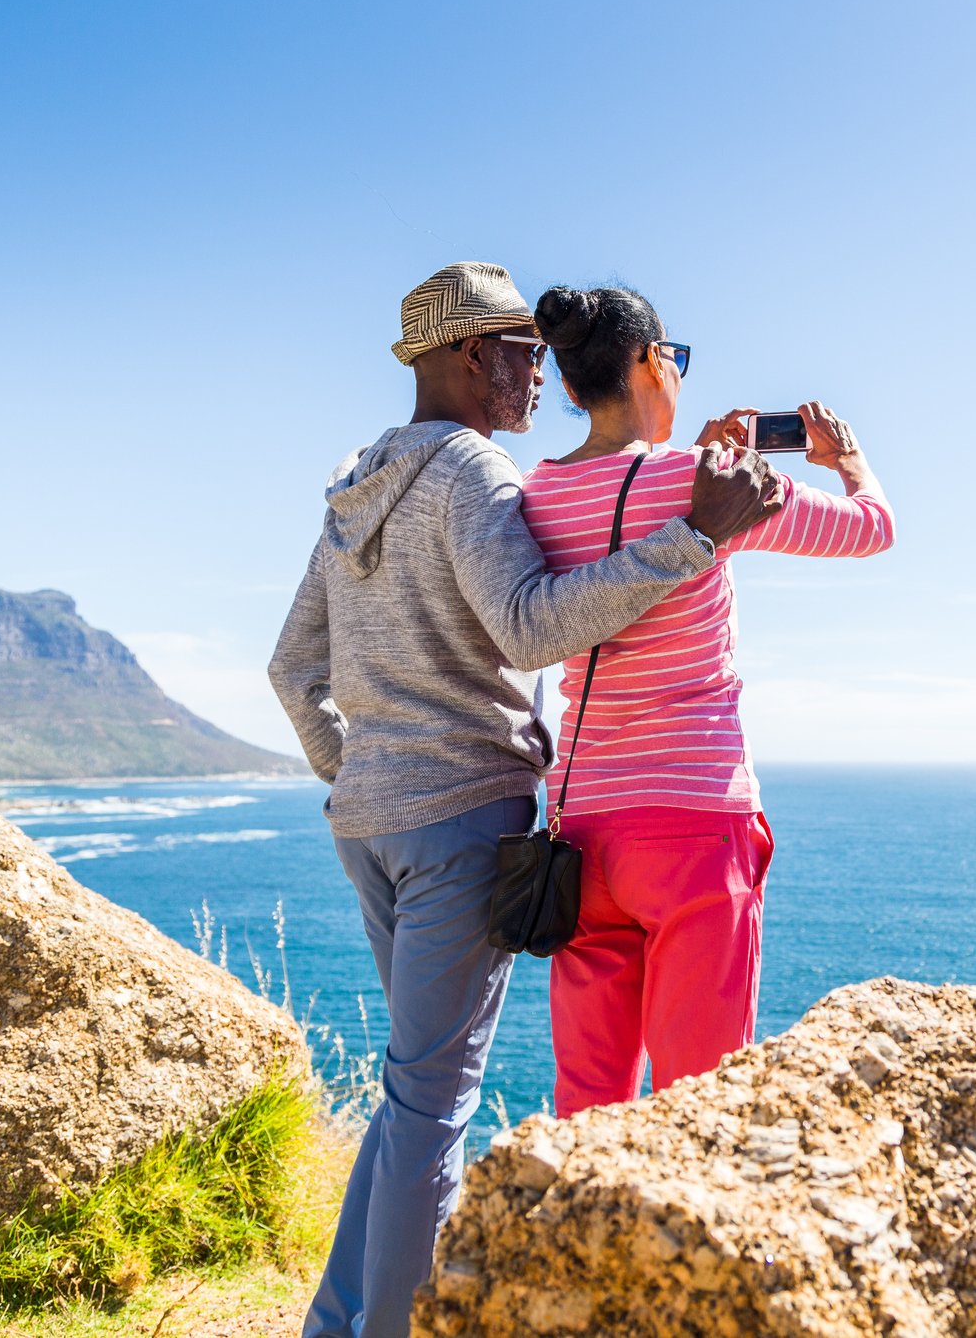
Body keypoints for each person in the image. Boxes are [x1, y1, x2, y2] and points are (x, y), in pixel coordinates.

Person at [268, 262, 782, 1338]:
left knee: (411, 1091)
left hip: (371, 823)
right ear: (469, 356)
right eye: (521, 352)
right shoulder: (472, 474)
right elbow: (531, 626)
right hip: (461, 813)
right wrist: (688, 541)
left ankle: (335, 1321)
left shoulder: (357, 484)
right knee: (434, 1105)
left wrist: (353, 770)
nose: (540, 375)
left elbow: (291, 668)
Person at [518, 284, 894, 1118]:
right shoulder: (716, 483)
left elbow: (614, 514)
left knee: (589, 1098)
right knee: (700, 1091)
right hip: (692, 819)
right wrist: (845, 459)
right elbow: (871, 528)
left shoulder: (532, 495)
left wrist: (687, 456)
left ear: (572, 388)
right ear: (652, 361)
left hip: (580, 828)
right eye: (673, 359)